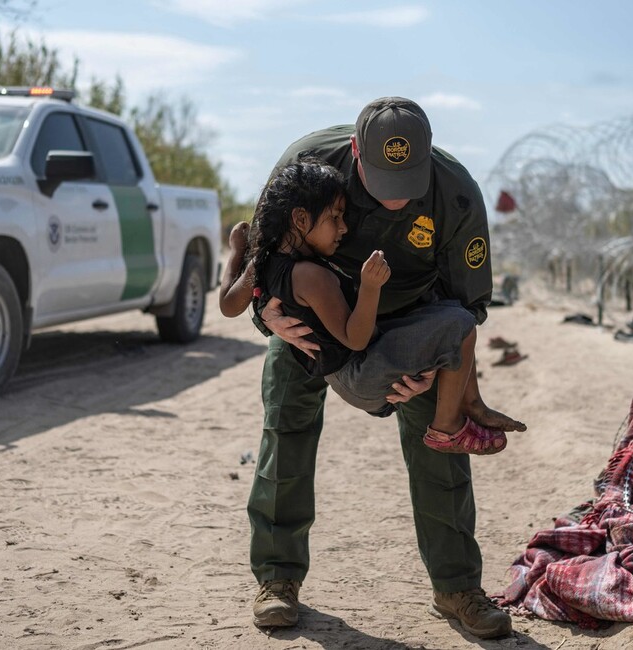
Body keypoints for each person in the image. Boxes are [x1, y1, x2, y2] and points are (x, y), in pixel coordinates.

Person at [222, 97, 526, 639]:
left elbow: (466, 308)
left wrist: (439, 369)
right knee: (285, 434)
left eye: (409, 181)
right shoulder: (308, 164)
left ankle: (457, 588)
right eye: (383, 182)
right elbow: (259, 259)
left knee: (441, 444)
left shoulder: (455, 194)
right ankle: (277, 579)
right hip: (312, 317)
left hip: (409, 321)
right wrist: (271, 317)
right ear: (355, 153)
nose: (396, 200)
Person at [220, 160, 513, 454]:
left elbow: (228, 306)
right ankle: (447, 427)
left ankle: (471, 406)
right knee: (461, 324)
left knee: (444, 314)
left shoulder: (262, 261)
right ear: (299, 218)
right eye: (335, 217)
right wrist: (370, 288)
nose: (344, 228)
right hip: (360, 373)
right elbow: (355, 339)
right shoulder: (313, 277)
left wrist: (236, 253)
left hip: (348, 372)